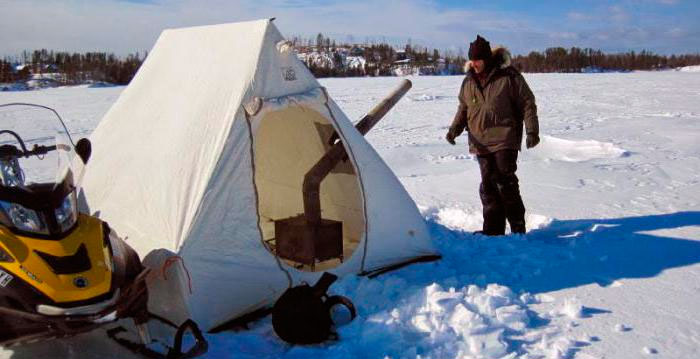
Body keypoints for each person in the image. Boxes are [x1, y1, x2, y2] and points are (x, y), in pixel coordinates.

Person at [446, 35, 540, 236]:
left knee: (505, 182)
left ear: (487, 59)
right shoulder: (468, 81)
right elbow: (464, 109)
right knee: (488, 186)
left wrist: (532, 131)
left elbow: (527, 103)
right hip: (481, 142)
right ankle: (493, 230)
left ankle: (517, 228)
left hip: (505, 137)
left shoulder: (509, 76)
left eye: (478, 59)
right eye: (472, 59)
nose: (474, 63)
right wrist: (454, 130)